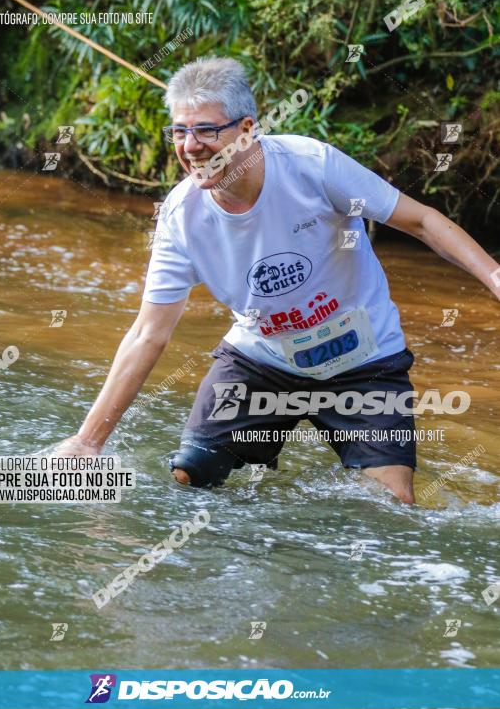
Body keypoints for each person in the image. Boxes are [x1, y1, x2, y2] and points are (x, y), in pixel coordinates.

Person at [55, 57, 499, 504]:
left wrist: (495, 277)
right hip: (261, 360)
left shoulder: (312, 166)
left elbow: (422, 221)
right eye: (180, 131)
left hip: (364, 360)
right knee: (192, 473)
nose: (191, 146)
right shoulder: (181, 217)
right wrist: (88, 442)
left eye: (207, 130)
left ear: (246, 129)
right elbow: (148, 333)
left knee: (389, 506)